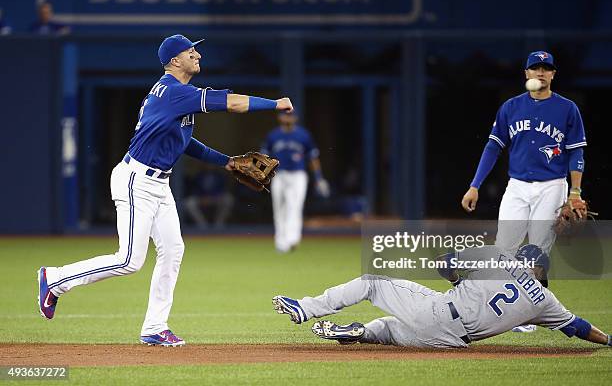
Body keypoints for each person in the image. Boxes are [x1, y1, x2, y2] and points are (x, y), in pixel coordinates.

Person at [37, 34, 294, 346]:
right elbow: (232, 103)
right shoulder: (174, 92)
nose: (197, 54)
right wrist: (275, 104)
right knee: (129, 260)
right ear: (175, 61)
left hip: (159, 183)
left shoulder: (175, 95)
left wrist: (226, 162)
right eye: (190, 52)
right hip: (136, 181)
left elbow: (185, 143)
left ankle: (154, 327)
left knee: (173, 250)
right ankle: (54, 279)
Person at [460, 51, 587, 332]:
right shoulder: (510, 107)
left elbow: (576, 153)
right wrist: (474, 186)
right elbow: (493, 146)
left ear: (553, 74)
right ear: (526, 74)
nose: (541, 72)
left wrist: (575, 192)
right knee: (504, 248)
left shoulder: (567, 109)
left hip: (552, 185)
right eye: (535, 68)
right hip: (516, 185)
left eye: (546, 68)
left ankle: (530, 313)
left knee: (537, 251)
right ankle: (504, 308)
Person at [273, 244, 611, 349]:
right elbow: (579, 327)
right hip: (451, 341)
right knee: (391, 330)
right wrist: (609, 341)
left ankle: (305, 308)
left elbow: (445, 264)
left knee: (371, 282)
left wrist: (456, 277)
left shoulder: (498, 256)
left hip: (441, 311)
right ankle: (362, 333)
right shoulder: (545, 302)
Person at [261, 111, 330, 253]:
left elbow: (313, 157)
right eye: (285, 115)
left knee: (295, 206)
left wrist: (318, 177)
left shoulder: (303, 135)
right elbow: (264, 158)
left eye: (291, 115)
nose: (288, 117)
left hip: (298, 175)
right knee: (279, 208)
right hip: (279, 175)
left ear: (296, 117)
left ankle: (292, 239)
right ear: (280, 117)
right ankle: (281, 243)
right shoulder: (273, 135)